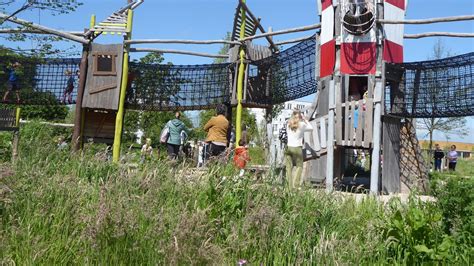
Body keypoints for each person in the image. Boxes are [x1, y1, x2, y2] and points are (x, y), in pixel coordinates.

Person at [285, 110, 313, 189]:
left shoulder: (288, 124)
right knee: (299, 166)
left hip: (288, 147)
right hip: (297, 148)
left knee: (288, 167)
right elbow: (311, 128)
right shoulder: (302, 125)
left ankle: (288, 187)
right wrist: (305, 119)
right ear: (300, 117)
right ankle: (295, 185)